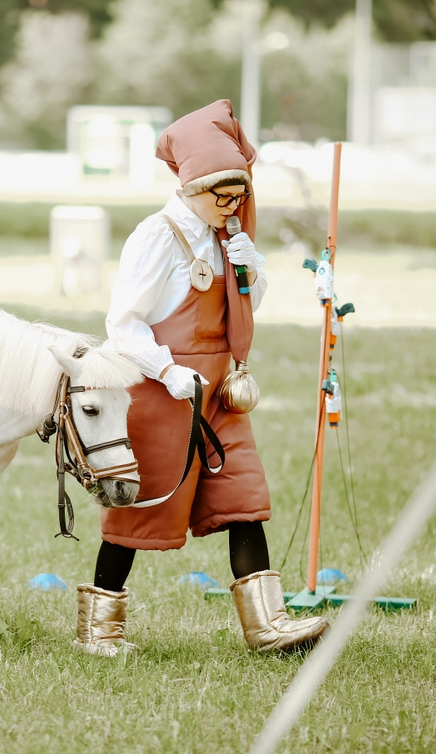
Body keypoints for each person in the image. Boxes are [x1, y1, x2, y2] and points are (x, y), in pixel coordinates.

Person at [72, 100, 329, 656]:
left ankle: (267, 626)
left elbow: (246, 305)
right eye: (224, 195)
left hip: (219, 393)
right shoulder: (158, 235)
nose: (234, 205)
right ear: (193, 186)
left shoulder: (224, 232)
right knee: (139, 514)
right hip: (164, 393)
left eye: (240, 195)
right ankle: (99, 629)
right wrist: (167, 371)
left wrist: (248, 267)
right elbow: (122, 323)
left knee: (244, 497)